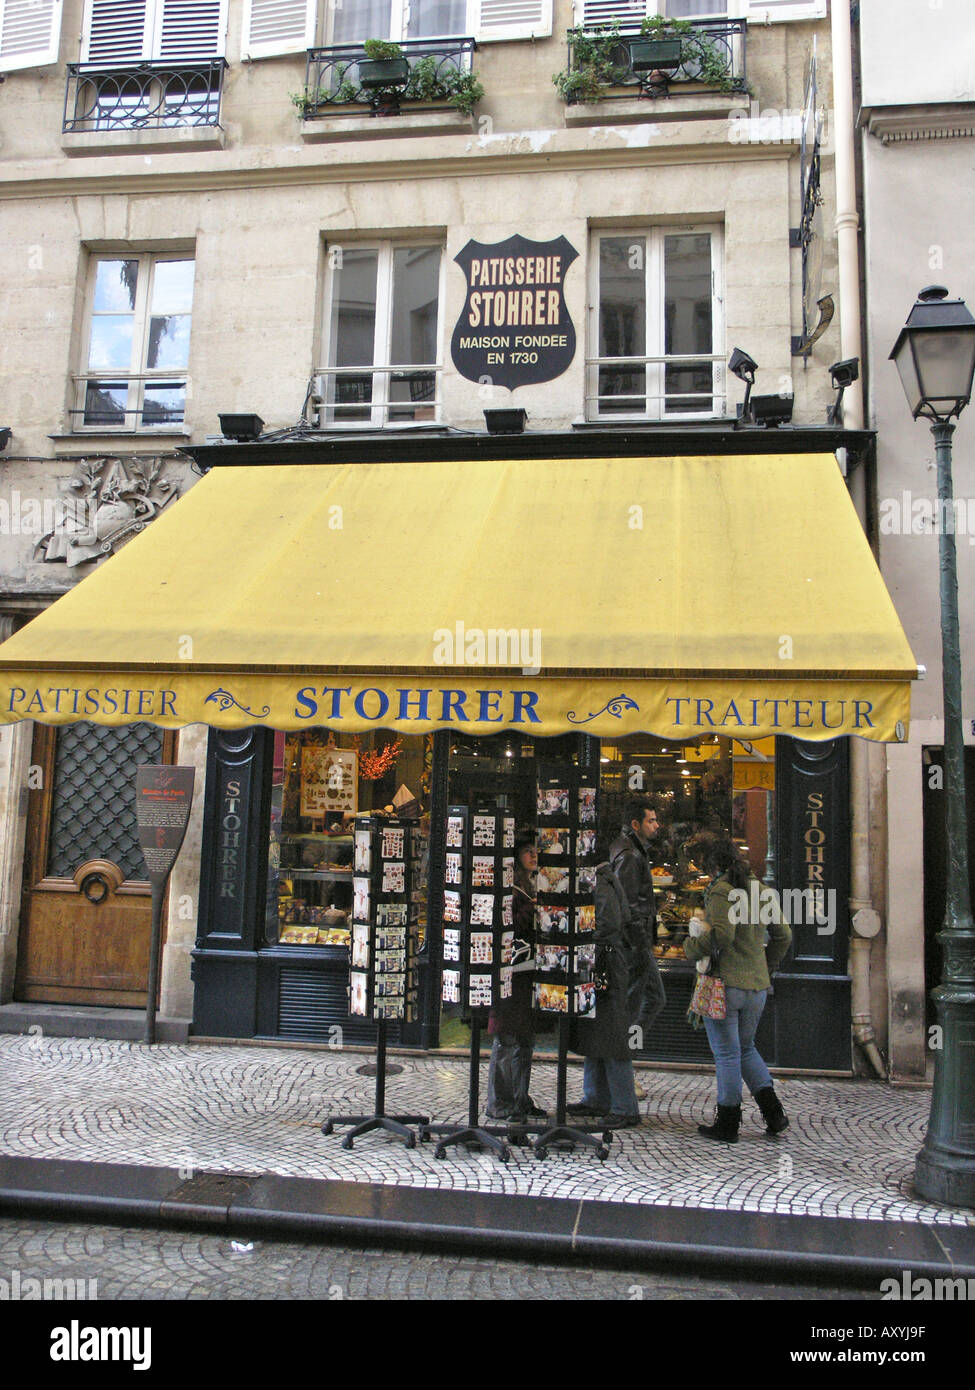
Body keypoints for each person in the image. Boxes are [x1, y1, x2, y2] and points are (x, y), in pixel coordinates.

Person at [683, 831, 792, 1143]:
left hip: (725, 985)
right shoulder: (760, 888)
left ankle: (728, 1122)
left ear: (714, 864)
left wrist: (692, 947)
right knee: (745, 1049)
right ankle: (774, 1114)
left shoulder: (721, 891)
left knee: (727, 1053)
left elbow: (722, 935)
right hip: (756, 987)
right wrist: (765, 967)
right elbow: (784, 935)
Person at [566, 861, 643, 1127]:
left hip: (605, 964)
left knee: (611, 1033)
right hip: (605, 962)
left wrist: (588, 949)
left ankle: (624, 1107)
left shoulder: (599, 881)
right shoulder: (605, 878)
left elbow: (608, 924)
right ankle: (596, 1097)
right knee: (597, 1031)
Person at [485, 832, 547, 1123]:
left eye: (536, 851)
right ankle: (500, 1103)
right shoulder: (509, 891)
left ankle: (521, 1098)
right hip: (511, 973)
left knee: (526, 1039)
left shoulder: (535, 884)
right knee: (507, 1037)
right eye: (527, 851)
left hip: (530, 973)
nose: (533, 856)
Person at [609, 799, 666, 1095]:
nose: (657, 825)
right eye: (651, 821)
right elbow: (627, 907)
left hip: (639, 943)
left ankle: (625, 1062)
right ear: (635, 824)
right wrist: (641, 945)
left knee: (655, 999)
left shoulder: (632, 849)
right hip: (634, 945)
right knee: (631, 1009)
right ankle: (623, 1072)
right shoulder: (630, 855)